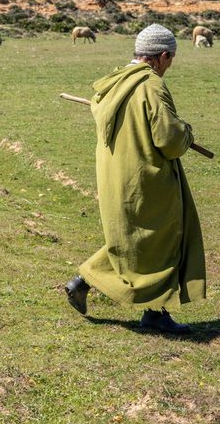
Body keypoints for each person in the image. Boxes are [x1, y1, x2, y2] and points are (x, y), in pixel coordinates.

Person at [65, 24, 206, 334]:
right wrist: (186, 131)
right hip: (145, 177)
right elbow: (168, 138)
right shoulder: (151, 85)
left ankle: (85, 284)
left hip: (116, 175)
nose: (169, 66)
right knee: (161, 241)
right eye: (171, 59)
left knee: (135, 241)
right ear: (162, 56)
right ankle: (154, 314)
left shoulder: (114, 82)